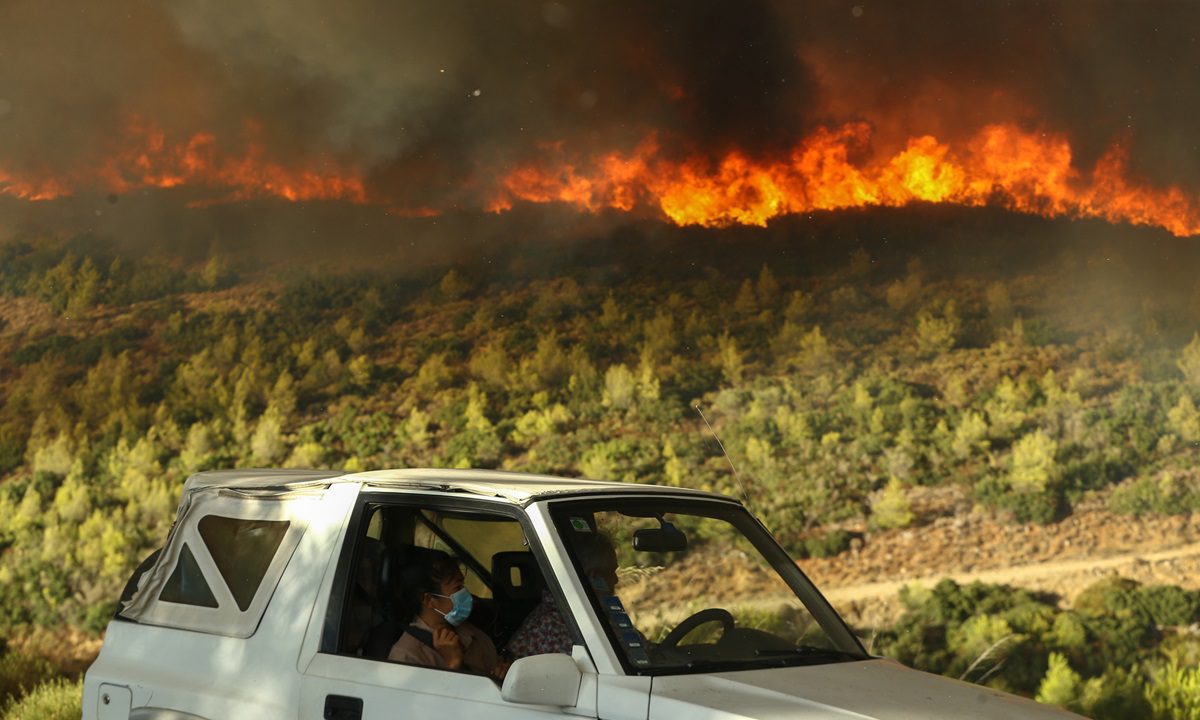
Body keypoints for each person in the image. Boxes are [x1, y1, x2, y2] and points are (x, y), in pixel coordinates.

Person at [388, 549, 508, 680]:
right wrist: (453, 665)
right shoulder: (407, 655)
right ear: (429, 600)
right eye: (457, 588)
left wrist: (502, 675)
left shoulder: (473, 634)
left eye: (463, 585)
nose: (467, 594)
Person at [506, 530, 618, 659]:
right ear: (594, 576)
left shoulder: (583, 614)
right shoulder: (553, 627)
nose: (616, 580)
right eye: (611, 572)